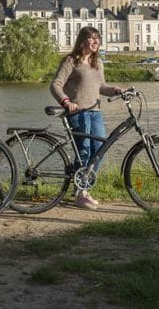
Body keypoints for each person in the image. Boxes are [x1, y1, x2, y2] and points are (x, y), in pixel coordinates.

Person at [50, 26, 123, 210]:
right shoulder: (71, 61)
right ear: (82, 41)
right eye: (92, 38)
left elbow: (101, 86)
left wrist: (114, 90)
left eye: (98, 38)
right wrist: (66, 101)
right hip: (78, 112)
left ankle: (83, 189)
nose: (96, 41)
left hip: (95, 112)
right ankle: (80, 194)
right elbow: (56, 84)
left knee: (99, 151)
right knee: (83, 151)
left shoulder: (98, 64)